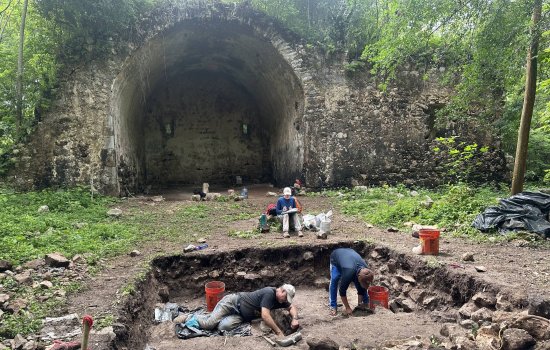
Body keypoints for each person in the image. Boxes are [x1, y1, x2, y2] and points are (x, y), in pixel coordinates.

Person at [187, 284, 300, 337]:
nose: (285, 300)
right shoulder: (269, 293)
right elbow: (265, 316)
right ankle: (190, 317)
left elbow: (292, 307)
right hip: (233, 303)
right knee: (210, 324)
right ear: (282, 291)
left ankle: (215, 317)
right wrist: (278, 332)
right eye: (285, 297)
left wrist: (294, 319)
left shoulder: (280, 300)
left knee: (223, 328)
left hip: (240, 316)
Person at [329, 248, 374, 316]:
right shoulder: (348, 273)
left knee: (362, 287)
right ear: (359, 277)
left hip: (350, 256)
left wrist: (359, 306)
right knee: (335, 279)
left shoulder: (366, 269)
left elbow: (362, 287)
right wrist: (348, 308)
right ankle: (333, 305)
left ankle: (365, 302)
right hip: (336, 256)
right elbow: (342, 291)